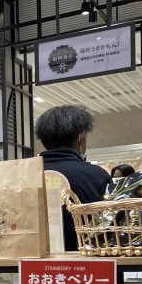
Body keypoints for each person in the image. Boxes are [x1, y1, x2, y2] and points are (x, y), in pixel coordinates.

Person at [35, 105, 110, 251]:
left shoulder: (25, 175)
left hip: (30, 262)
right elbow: (110, 226)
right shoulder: (96, 175)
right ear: (81, 136)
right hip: (86, 262)